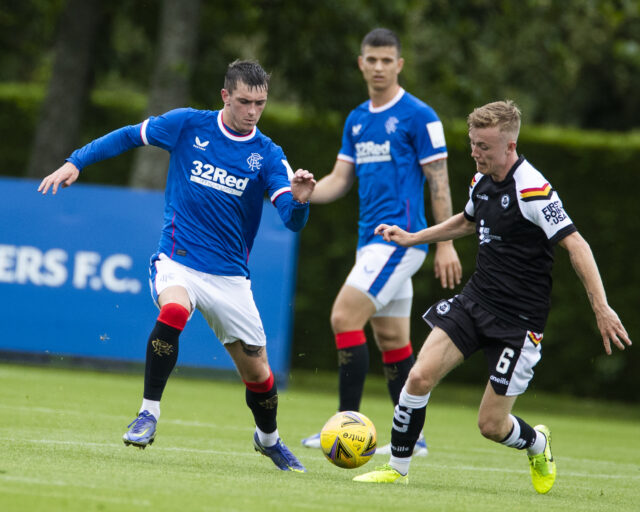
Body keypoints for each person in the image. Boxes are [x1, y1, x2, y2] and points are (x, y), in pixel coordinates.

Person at [38, 60, 316, 473]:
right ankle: (148, 413)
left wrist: (302, 200)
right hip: (178, 258)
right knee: (173, 311)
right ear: (225, 96)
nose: (253, 111)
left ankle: (268, 440)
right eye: (244, 101)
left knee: (259, 373)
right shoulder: (188, 125)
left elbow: (291, 221)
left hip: (230, 277)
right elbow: (130, 135)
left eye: (260, 103)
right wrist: (77, 160)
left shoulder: (269, 156)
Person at [353, 100, 632, 493]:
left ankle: (537, 442)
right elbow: (467, 221)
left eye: (483, 146)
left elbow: (577, 245)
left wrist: (601, 307)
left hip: (518, 324)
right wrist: (416, 237)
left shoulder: (533, 189)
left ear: (510, 146)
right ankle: (397, 468)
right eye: (472, 143)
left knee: (491, 426)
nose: (475, 153)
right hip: (475, 301)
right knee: (417, 377)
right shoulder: (480, 181)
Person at [301, 28, 461, 456]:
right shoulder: (356, 119)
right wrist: (302, 192)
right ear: (360, 63)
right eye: (371, 59)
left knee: (342, 317)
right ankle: (413, 438)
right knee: (391, 340)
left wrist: (444, 243)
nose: (378, 67)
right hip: (368, 244)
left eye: (386, 60)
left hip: (400, 242)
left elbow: (439, 182)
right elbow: (338, 181)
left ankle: (342, 425)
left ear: (399, 65)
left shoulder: (420, 116)